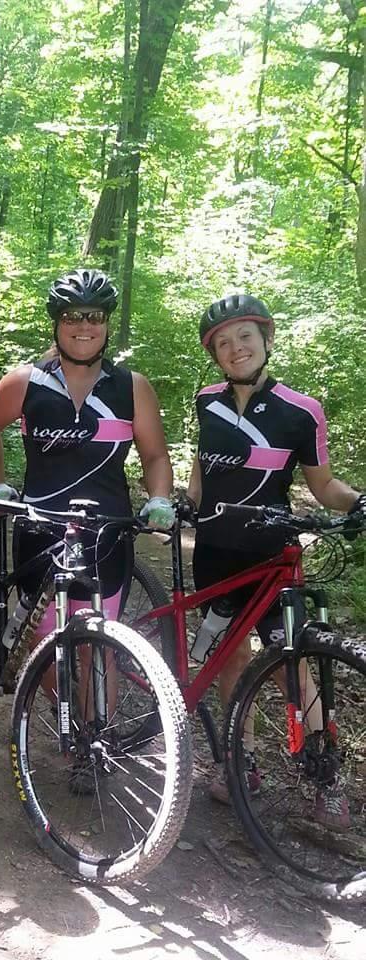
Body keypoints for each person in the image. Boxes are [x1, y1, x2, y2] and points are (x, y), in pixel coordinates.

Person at [0, 269, 173, 780]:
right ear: (57, 324)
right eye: (72, 317)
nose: (83, 326)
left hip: (107, 534)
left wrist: (159, 499)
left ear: (107, 326)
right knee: (45, 643)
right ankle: (68, 712)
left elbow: (154, 455)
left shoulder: (133, 388)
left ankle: (92, 741)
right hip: (40, 529)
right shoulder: (26, 381)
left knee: (97, 645)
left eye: (94, 317)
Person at [187, 293, 364, 826]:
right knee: (229, 658)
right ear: (214, 354)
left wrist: (360, 502)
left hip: (271, 556)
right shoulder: (207, 400)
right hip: (214, 552)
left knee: (294, 666)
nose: (235, 348)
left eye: (245, 337)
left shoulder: (300, 410)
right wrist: (184, 503)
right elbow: (202, 467)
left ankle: (324, 774)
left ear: (266, 340)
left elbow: (324, 485)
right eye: (224, 342)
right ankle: (239, 760)